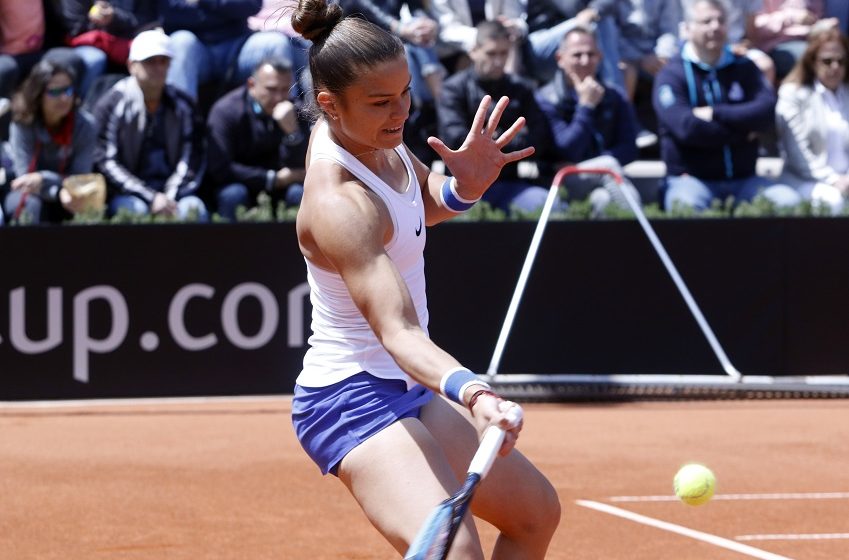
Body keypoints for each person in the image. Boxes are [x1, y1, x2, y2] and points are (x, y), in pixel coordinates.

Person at [287, 0, 561, 557]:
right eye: (382, 101)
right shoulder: (338, 200)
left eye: (406, 92)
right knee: (455, 550)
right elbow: (398, 330)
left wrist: (464, 189)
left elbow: (422, 204)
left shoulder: (378, 136)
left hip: (408, 386)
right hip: (350, 399)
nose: (401, 112)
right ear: (328, 105)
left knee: (534, 514)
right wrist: (475, 391)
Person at [653, 0, 800, 211]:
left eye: (721, 20)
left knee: (786, 201)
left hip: (745, 180)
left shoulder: (744, 67)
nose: (715, 26)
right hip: (691, 181)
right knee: (685, 206)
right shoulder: (671, 74)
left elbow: (766, 112)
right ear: (686, 28)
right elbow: (686, 127)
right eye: (706, 21)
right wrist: (743, 131)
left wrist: (715, 113)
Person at [437, 20, 555, 214]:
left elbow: (539, 138)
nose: (499, 61)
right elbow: (454, 137)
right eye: (491, 53)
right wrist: (505, 140)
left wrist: (490, 142)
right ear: (474, 51)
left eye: (504, 53)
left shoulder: (521, 88)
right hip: (463, 186)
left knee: (550, 206)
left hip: (510, 182)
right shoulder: (453, 89)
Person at [92, 29, 208, 220]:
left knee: (194, 211)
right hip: (129, 193)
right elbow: (105, 160)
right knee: (133, 212)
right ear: (131, 66)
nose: (158, 68)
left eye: (163, 61)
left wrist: (169, 197)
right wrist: (151, 197)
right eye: (149, 62)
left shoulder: (184, 105)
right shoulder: (112, 104)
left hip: (175, 193)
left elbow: (193, 156)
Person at [536, 25, 643, 216]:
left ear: (599, 57)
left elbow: (630, 148)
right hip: (560, 180)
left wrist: (598, 163)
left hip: (604, 179)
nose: (585, 61)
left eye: (591, 54)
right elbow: (566, 148)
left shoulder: (614, 96)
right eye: (577, 55)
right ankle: (645, 234)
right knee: (608, 165)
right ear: (560, 59)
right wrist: (586, 107)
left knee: (602, 200)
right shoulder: (545, 99)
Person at [206, 57, 309, 221]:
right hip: (241, 184)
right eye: (271, 89)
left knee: (299, 193)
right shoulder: (226, 112)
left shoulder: (294, 111)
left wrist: (292, 133)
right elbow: (221, 168)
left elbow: (301, 167)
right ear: (251, 85)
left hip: (282, 189)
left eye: (284, 90)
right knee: (233, 195)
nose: (279, 97)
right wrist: (272, 179)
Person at [3, 59, 97, 224]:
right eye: (55, 92)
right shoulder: (22, 122)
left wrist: (44, 178)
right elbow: (24, 178)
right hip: (28, 193)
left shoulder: (85, 125)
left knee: (83, 203)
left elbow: (82, 178)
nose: (63, 98)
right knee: (30, 205)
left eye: (68, 90)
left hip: (68, 194)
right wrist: (56, 190)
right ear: (38, 94)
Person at [775, 26, 849, 213]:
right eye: (827, 61)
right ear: (812, 61)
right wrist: (834, 180)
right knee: (833, 202)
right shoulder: (792, 94)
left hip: (846, 180)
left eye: (841, 61)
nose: (835, 67)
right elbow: (797, 153)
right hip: (806, 180)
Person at [159, 0, 295, 102]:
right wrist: (224, 11)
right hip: (196, 49)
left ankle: (290, 124)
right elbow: (168, 12)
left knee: (276, 43)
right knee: (181, 42)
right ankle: (182, 127)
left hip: (237, 47)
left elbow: (251, 4)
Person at [58, 0, 160, 96]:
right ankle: (80, 109)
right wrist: (98, 21)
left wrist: (114, 18)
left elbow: (146, 22)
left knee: (156, 51)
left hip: (126, 47)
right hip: (90, 47)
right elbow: (74, 28)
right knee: (94, 59)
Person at [750, 0, 832, 83]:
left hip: (810, 40)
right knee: (816, 57)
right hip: (776, 45)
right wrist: (791, 18)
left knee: (834, 53)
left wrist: (823, 26)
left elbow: (815, 19)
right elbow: (757, 27)